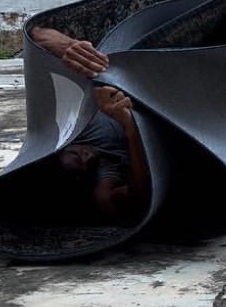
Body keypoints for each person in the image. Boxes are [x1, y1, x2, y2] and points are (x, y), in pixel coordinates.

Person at [30, 26, 150, 225]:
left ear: (61, 149)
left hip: (119, 66)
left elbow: (36, 34)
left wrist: (68, 47)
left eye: (76, 156)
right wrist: (131, 130)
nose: (87, 157)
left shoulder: (72, 126)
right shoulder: (107, 170)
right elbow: (138, 198)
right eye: (85, 169)